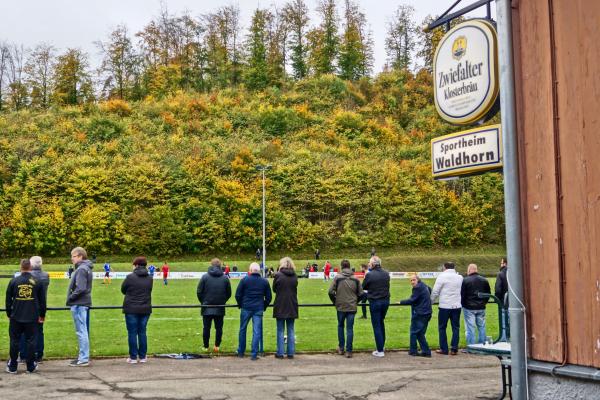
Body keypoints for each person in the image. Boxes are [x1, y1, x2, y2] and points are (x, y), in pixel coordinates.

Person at [5, 259, 47, 373]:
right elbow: (42, 301)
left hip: (16, 316)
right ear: (31, 268)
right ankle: (30, 366)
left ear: (20, 267)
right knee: (31, 341)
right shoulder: (37, 281)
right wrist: (42, 315)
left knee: (14, 340)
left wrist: (9, 313)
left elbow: (8, 300)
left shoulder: (14, 281)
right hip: (32, 316)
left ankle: (13, 366)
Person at [235, 262, 272, 360]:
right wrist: (263, 306)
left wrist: (240, 304)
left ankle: (241, 352)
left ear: (250, 270)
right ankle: (254, 354)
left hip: (246, 307)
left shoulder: (244, 280)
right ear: (259, 271)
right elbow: (269, 297)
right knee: (256, 331)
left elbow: (238, 295)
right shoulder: (264, 281)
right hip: (258, 309)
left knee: (242, 329)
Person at [328, 259, 363, 358]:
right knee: (350, 329)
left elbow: (330, 292)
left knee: (340, 326)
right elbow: (362, 294)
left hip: (341, 307)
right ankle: (349, 351)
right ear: (349, 266)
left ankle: (341, 348)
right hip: (352, 307)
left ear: (341, 267)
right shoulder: (355, 278)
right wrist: (356, 301)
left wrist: (335, 301)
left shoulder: (338, 278)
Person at [121, 256, 153, 364]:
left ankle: (133, 357)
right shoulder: (150, 278)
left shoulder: (130, 277)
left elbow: (123, 289)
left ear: (136, 265)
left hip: (131, 308)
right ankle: (143, 357)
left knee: (132, 333)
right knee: (142, 332)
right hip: (145, 308)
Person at [197, 258, 232, 354]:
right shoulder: (225, 278)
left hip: (207, 307)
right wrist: (222, 301)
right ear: (220, 266)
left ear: (211, 265)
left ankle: (206, 346)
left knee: (206, 328)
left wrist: (204, 302)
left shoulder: (204, 277)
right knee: (219, 328)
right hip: (219, 307)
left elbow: (199, 292)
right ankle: (217, 346)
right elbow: (229, 293)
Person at [66, 246, 93, 367]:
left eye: (74, 256)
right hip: (82, 303)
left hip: (79, 303)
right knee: (82, 331)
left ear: (81, 256)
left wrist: (71, 298)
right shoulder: (85, 268)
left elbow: (81, 288)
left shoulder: (82, 269)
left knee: (81, 331)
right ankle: (83, 357)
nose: (72, 259)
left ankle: (83, 359)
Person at [19, 256, 49, 363]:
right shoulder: (46, 276)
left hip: (28, 306)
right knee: (39, 331)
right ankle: (39, 355)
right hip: (40, 306)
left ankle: (24, 355)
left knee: (23, 331)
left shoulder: (28, 276)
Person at [431, 262, 463, 355]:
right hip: (456, 305)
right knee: (456, 328)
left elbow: (435, 291)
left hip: (445, 306)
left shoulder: (441, 277)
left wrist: (430, 302)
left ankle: (444, 349)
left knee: (442, 327)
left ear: (444, 267)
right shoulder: (459, 277)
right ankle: (454, 348)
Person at [362, 256, 390, 357]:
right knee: (381, 322)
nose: (369, 264)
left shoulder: (370, 274)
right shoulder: (386, 273)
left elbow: (363, 287)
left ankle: (380, 350)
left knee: (376, 325)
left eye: (370, 263)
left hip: (375, 302)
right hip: (385, 301)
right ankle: (382, 346)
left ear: (373, 264)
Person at [400, 275, 432, 357]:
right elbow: (430, 290)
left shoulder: (417, 288)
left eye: (414, 280)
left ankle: (413, 351)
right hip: (427, 312)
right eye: (411, 280)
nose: (412, 282)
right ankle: (426, 351)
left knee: (414, 332)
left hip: (420, 313)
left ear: (418, 280)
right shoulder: (424, 285)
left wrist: (401, 302)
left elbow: (412, 300)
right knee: (420, 333)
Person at [272, 257, 299, 359]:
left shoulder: (278, 275)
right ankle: (290, 352)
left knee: (280, 330)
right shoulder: (294, 276)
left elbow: (274, 289)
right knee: (291, 329)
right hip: (292, 304)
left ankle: (280, 352)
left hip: (280, 305)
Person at [461, 264, 491, 345]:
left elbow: (462, 295)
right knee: (481, 327)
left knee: (470, 328)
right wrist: (484, 302)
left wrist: (463, 304)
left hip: (469, 307)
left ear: (470, 270)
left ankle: (472, 346)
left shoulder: (465, 280)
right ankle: (482, 345)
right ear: (476, 270)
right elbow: (488, 294)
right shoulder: (484, 280)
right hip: (481, 306)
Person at [495, 257, 509, 341]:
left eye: (501, 263)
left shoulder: (501, 274)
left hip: (504, 302)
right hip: (515, 302)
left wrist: (497, 299)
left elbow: (498, 289)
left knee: (504, 321)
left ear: (505, 264)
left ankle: (504, 339)